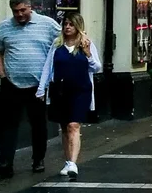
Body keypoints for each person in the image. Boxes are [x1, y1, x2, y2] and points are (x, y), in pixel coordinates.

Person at [0, 0, 61, 178]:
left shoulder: (47, 24)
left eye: (23, 10)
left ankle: (38, 159)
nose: (20, 15)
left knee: (38, 124)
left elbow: (63, 43)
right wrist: (2, 76)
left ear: (31, 7)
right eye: (16, 12)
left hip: (38, 85)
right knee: (8, 124)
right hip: (11, 84)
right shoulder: (5, 27)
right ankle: (6, 162)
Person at [35, 13, 102, 181]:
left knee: (73, 125)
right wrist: (41, 90)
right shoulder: (57, 45)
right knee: (64, 127)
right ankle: (67, 161)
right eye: (65, 24)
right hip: (60, 90)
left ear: (78, 26)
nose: (67, 27)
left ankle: (73, 163)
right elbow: (48, 68)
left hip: (81, 90)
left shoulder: (86, 44)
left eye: (71, 24)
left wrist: (88, 54)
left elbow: (96, 67)